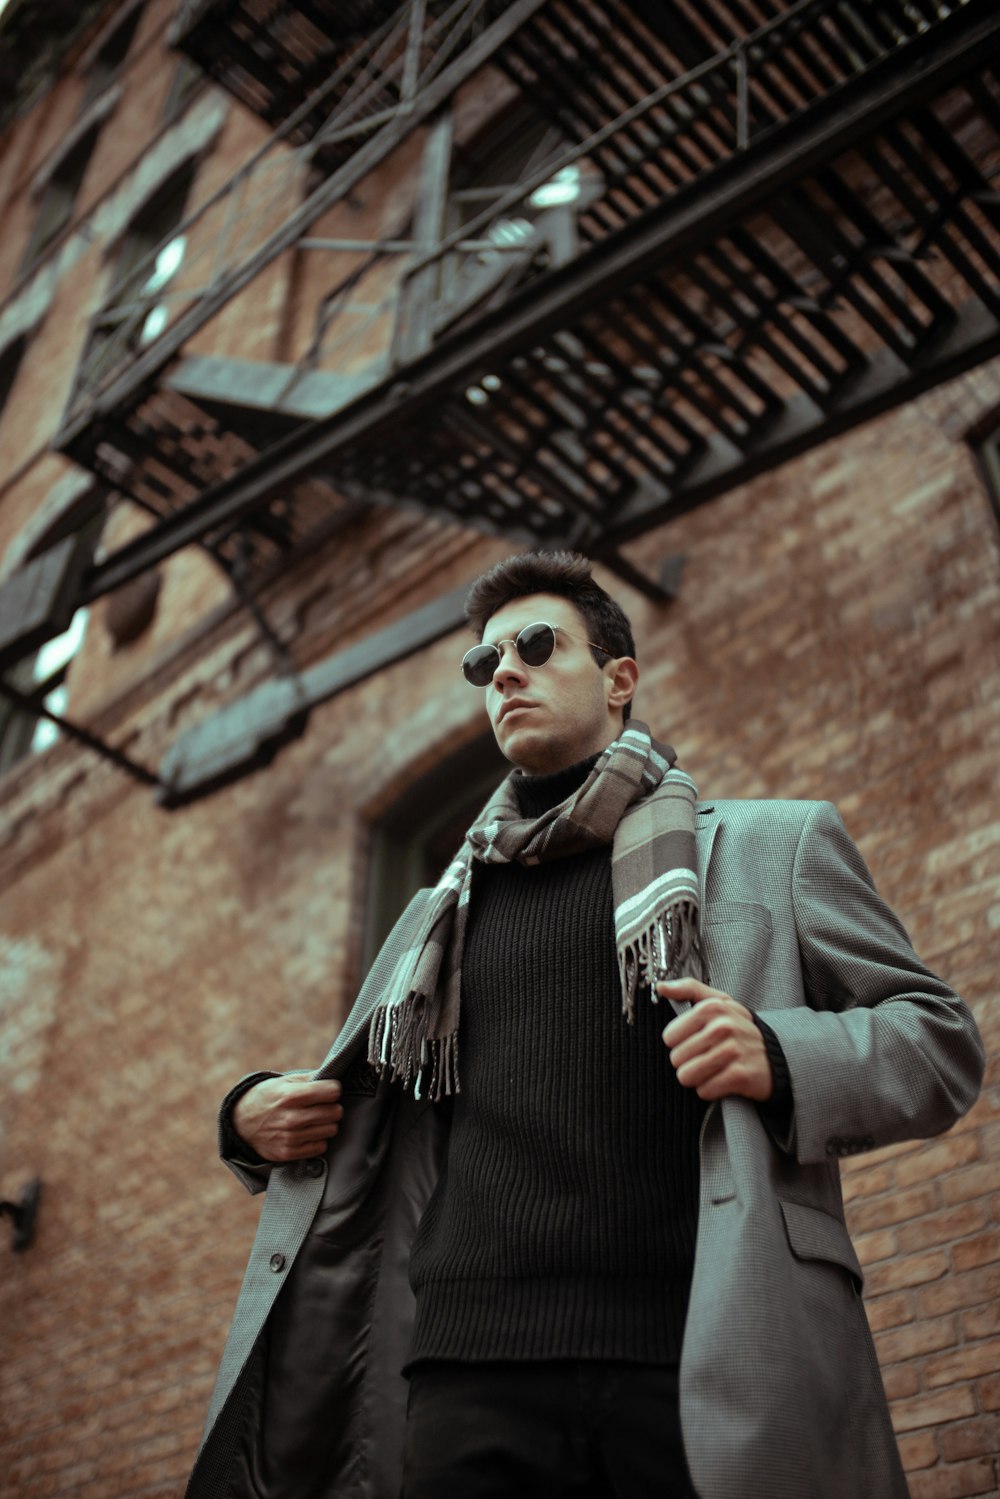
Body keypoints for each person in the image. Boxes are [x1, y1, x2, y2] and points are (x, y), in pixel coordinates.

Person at [186, 551, 984, 1499]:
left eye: (533, 645)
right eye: (485, 664)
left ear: (619, 679)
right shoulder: (436, 914)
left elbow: (939, 1039)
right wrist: (244, 1117)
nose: (505, 673)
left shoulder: (775, 845)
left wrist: (780, 1052)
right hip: (464, 1373)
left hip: (699, 1355)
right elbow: (359, 1106)